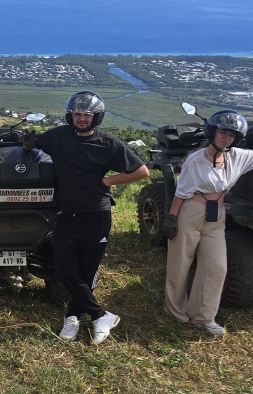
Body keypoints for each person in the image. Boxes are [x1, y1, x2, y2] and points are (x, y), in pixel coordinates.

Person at [22, 91, 149, 344]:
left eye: (87, 114)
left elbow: (142, 171)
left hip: (96, 213)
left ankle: (73, 316)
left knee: (87, 270)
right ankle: (100, 315)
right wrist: (25, 141)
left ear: (96, 117)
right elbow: (34, 143)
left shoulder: (109, 143)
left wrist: (107, 180)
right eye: (77, 114)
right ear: (70, 116)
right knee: (65, 268)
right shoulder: (58, 136)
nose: (82, 118)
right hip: (68, 213)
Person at [161, 109, 253, 335]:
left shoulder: (237, 156)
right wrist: (172, 217)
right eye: (223, 133)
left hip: (216, 215)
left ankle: (203, 316)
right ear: (213, 133)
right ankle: (175, 311)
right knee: (180, 265)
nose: (227, 138)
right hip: (190, 211)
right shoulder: (195, 160)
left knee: (217, 268)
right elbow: (181, 192)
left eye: (232, 135)